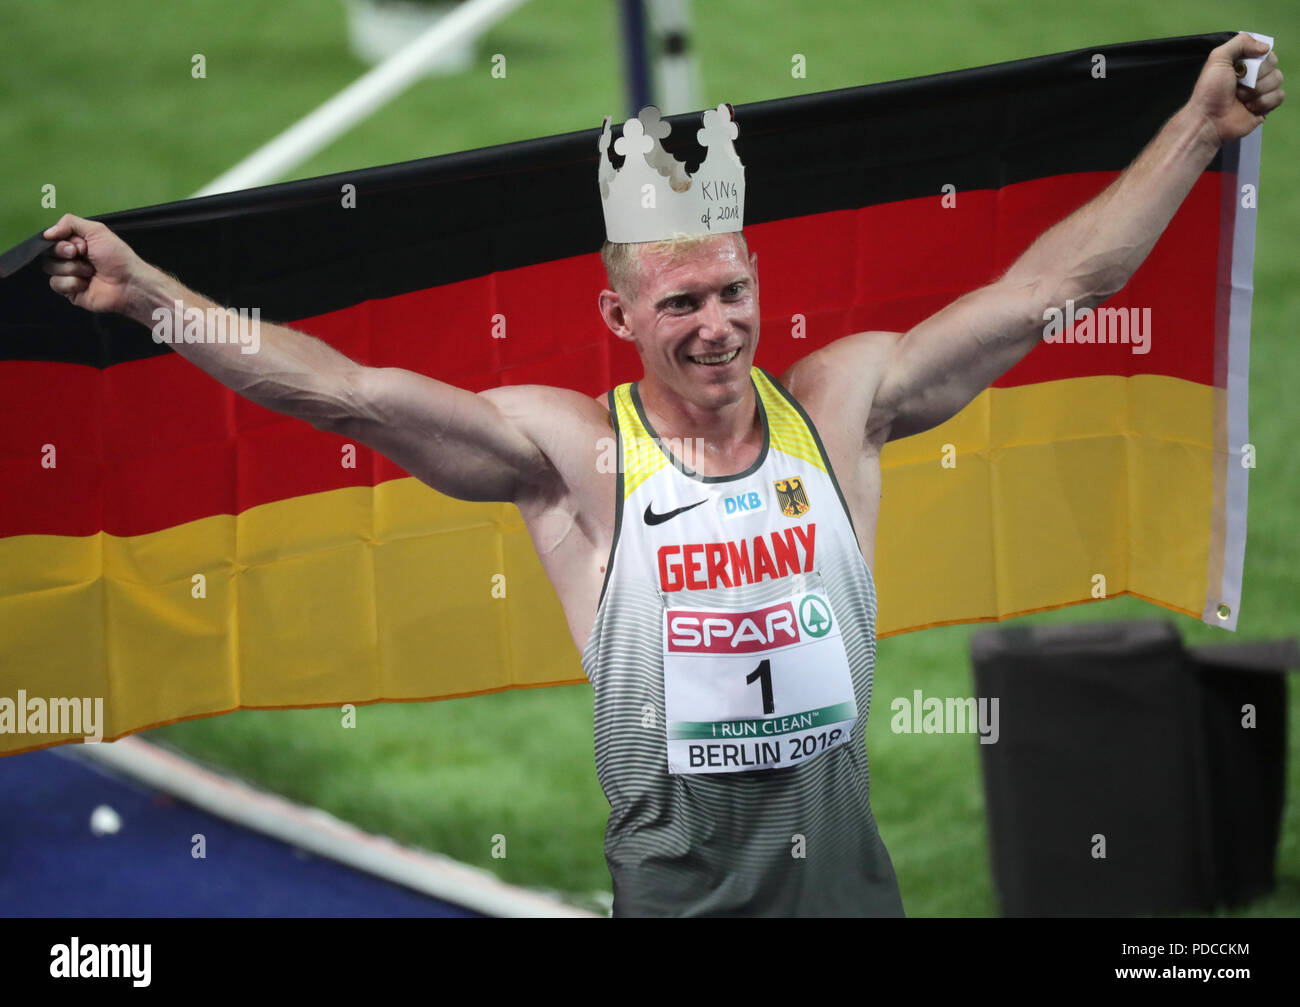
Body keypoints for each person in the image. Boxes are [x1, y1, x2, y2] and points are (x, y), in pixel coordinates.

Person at [40, 34, 1282, 916]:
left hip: (851, 899)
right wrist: (149, 295)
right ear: (619, 310)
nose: (716, 325)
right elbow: (342, 394)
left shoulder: (841, 406)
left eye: (732, 290)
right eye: (680, 300)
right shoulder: (575, 456)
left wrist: (1195, 126)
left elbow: (1055, 289)